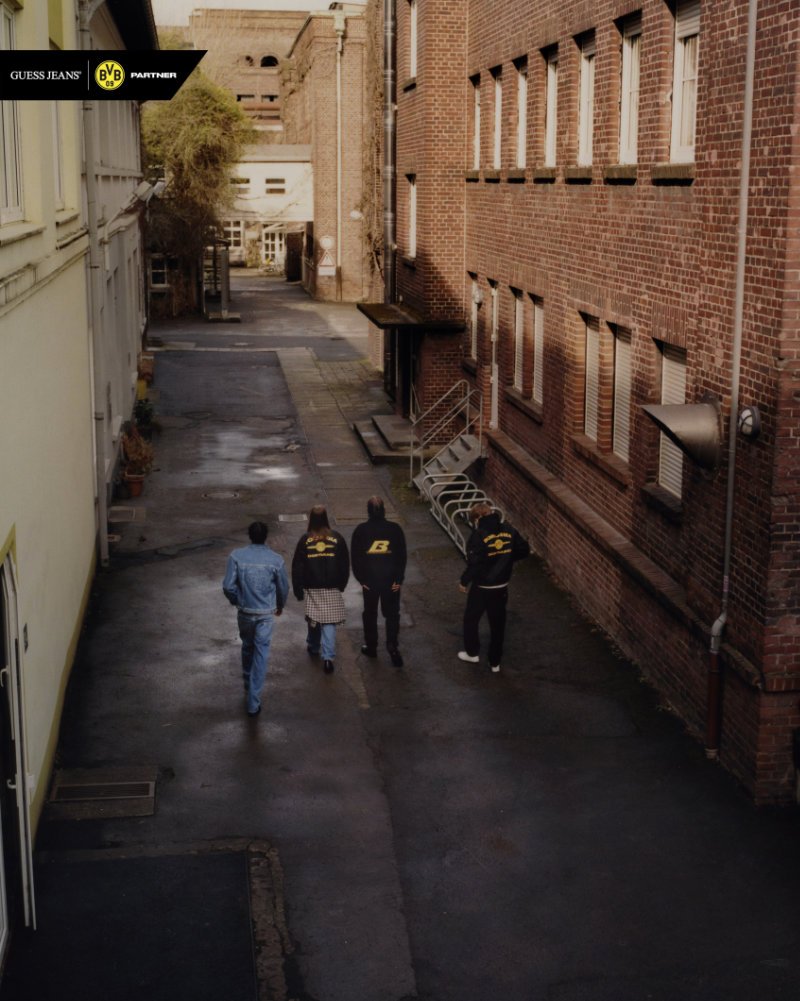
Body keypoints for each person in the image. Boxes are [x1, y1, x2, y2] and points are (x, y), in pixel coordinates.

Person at [223, 521, 289, 717]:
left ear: (250, 535)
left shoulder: (236, 556)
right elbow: (283, 588)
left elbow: (228, 586)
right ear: (266, 536)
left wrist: (237, 600)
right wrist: (280, 605)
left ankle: (246, 679)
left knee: (247, 646)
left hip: (244, 612)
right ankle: (253, 701)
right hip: (264, 615)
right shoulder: (276, 560)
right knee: (261, 653)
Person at [458, 502, 530, 674]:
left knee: (471, 619)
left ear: (478, 518)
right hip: (501, 587)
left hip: (482, 587)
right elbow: (524, 550)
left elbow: (474, 564)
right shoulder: (509, 530)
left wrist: (463, 581)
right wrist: (507, 560)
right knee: (498, 625)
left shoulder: (478, 535)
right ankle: (495, 662)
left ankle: (472, 652)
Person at [292, 505, 350, 674]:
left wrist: (298, 589)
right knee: (329, 622)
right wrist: (342, 584)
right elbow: (344, 564)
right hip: (332, 586)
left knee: (314, 618)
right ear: (325, 518)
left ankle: (313, 645)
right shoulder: (337, 538)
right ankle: (328, 658)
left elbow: (298, 567)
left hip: (312, 587)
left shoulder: (305, 539)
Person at [351, 496, 407, 667]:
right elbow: (401, 556)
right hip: (391, 581)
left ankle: (372, 646)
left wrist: (362, 579)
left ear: (368, 511)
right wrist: (398, 579)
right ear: (384, 510)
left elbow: (356, 557)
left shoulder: (361, 530)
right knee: (392, 615)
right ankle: (392, 646)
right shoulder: (395, 529)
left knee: (370, 614)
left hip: (371, 581)